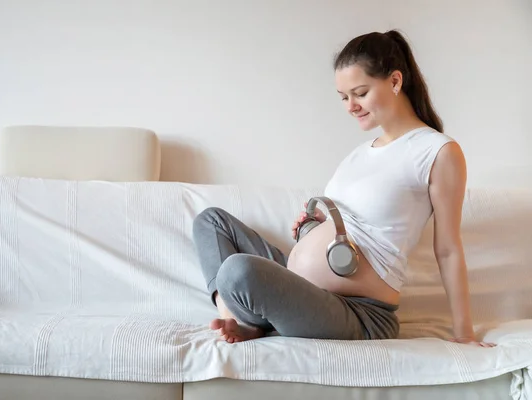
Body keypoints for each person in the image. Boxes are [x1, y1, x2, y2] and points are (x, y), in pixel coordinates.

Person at [192, 29, 496, 347]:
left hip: (359, 312)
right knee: (211, 221)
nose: (350, 106)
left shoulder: (437, 151)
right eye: (343, 97)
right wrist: (319, 229)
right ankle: (238, 317)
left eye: (360, 93)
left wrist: (464, 333)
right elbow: (357, 226)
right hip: (302, 289)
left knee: (238, 271)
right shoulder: (360, 153)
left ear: (395, 81)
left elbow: (447, 249)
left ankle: (251, 318)